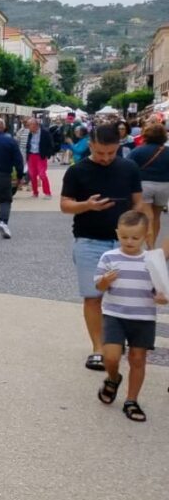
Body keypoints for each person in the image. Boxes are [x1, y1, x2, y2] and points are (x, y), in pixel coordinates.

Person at [60, 123, 148, 372]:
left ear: (118, 147)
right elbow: (65, 205)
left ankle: (118, 341)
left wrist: (141, 232)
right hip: (89, 240)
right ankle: (98, 348)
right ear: (91, 146)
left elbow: (138, 203)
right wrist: (87, 205)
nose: (106, 158)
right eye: (100, 153)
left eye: (111, 153)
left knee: (126, 295)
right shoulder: (77, 171)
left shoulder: (129, 167)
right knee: (93, 295)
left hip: (125, 244)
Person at [93, 210, 163, 423]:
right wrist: (105, 280)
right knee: (111, 356)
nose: (129, 242)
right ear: (117, 233)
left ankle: (131, 400)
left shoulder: (152, 261)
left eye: (135, 238)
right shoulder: (109, 257)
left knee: (138, 359)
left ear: (146, 236)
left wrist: (161, 298)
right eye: (124, 237)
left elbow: (160, 290)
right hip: (115, 314)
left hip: (143, 317)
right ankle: (113, 378)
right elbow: (98, 285)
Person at [129, 123, 169, 248]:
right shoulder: (167, 151)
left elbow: (128, 167)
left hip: (144, 185)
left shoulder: (138, 151)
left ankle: (150, 246)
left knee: (148, 217)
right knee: (156, 217)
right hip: (164, 186)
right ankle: (152, 245)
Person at [22, 117, 56, 199]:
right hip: (31, 155)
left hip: (40, 156)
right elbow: (28, 144)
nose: (28, 128)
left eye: (29, 126)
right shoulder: (30, 133)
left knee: (42, 174)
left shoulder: (45, 132)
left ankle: (47, 193)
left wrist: (48, 154)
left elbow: (51, 144)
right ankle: (35, 193)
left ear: (35, 125)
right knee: (32, 175)